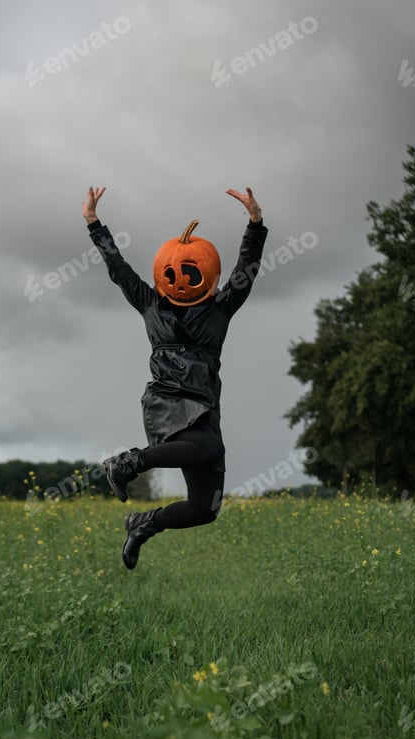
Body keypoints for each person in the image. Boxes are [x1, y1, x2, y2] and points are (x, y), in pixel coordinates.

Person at [82, 185, 268, 569]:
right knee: (210, 449)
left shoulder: (221, 308)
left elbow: (246, 271)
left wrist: (255, 224)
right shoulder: (149, 302)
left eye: (190, 272)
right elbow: (119, 269)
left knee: (206, 508)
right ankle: (128, 462)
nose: (182, 279)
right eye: (175, 273)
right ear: (163, 274)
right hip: (168, 403)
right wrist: (94, 224)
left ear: (207, 275)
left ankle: (143, 524)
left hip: (202, 409)